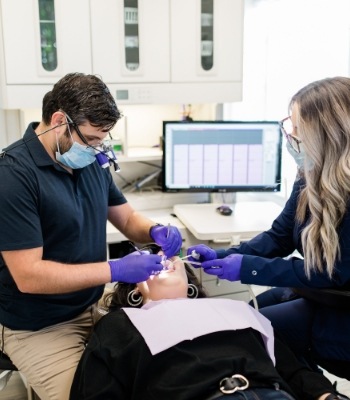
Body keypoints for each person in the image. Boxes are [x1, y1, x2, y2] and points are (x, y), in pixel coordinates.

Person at [0, 72, 182, 400]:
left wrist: (153, 230)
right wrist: (116, 270)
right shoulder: (13, 176)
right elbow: (29, 276)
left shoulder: (87, 161)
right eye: (93, 139)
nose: (99, 148)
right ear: (59, 121)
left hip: (94, 304)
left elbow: (125, 217)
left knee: (153, 380)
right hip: (40, 324)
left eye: (104, 139)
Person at [186, 76, 350, 375]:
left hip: (340, 309)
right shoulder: (309, 178)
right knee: (247, 314)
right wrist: (222, 256)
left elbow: (333, 272)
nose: (292, 138)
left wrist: (247, 267)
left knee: (257, 334)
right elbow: (279, 236)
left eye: (299, 131)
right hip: (319, 293)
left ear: (327, 135)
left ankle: (320, 395)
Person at [69, 245, 348, 400]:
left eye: (168, 256)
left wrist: (325, 395)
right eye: (146, 258)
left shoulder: (235, 309)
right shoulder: (121, 324)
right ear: (134, 290)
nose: (161, 259)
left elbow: (292, 370)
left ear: (189, 282)